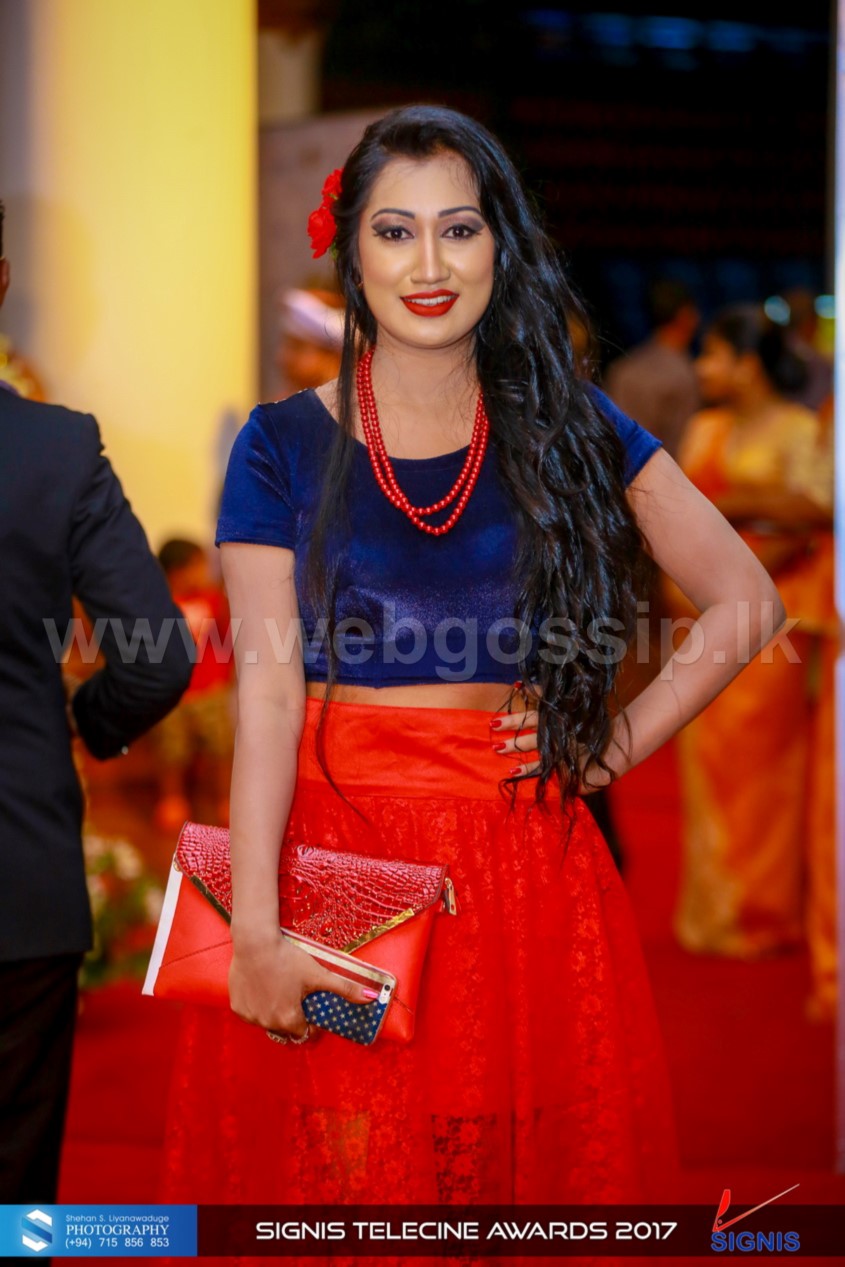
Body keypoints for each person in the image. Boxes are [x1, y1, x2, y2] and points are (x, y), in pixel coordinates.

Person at [160, 107, 785, 1233]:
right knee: (355, 1191)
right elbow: (267, 698)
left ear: (500, 243)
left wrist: (617, 746)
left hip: (517, 876)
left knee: (498, 1189)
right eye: (395, 232)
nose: (429, 265)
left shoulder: (570, 428)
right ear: (350, 252)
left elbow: (746, 600)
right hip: (336, 862)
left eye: (458, 229)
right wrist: (253, 931)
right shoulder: (279, 444)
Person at [0, 201, 192, 1204]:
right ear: (2, 283)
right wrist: (79, 723)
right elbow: (157, 657)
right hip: (19, 873)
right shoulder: (58, 448)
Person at [667, 304, 836, 1020]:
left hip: (772, 621)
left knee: (762, 765)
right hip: (699, 616)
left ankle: (763, 915)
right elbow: (674, 513)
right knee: (703, 758)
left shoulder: (797, 429)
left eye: (712, 355)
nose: (701, 369)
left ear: (748, 364)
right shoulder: (705, 427)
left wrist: (732, 506)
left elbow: (814, 510)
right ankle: (713, 911)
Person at [151, 538, 234, 832]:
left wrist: (226, 674)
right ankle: (172, 798)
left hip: (209, 690)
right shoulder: (158, 603)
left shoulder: (211, 598)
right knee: (172, 750)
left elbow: (226, 634)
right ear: (176, 572)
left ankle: (225, 799)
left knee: (220, 748)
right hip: (173, 695)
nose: (203, 573)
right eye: (197, 567)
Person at [603, 276, 701, 461]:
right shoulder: (686, 374)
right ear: (686, 316)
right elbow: (684, 447)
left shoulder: (622, 368)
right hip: (667, 470)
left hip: (620, 468)